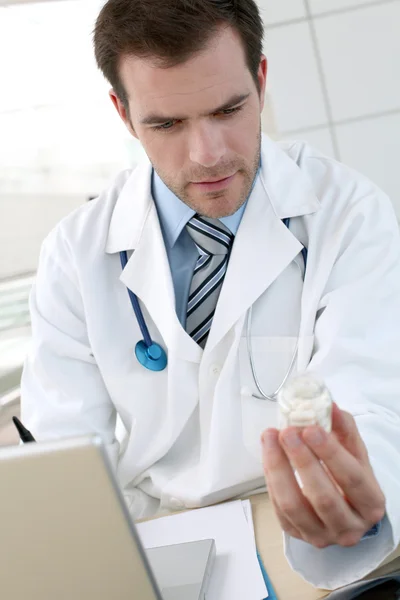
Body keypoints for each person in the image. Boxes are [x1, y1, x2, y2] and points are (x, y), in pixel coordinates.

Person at [21, 0, 400, 590]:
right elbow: (68, 465)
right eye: (166, 124)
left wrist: (350, 490)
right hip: (167, 533)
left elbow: (373, 404)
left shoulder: (348, 214)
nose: (208, 154)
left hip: (303, 522)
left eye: (228, 109)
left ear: (262, 80)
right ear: (123, 113)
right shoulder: (74, 254)